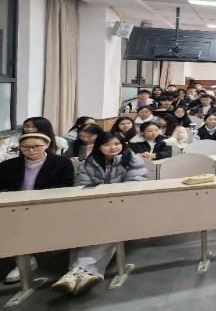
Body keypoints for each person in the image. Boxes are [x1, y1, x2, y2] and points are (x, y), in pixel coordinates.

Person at [51, 132, 147, 295]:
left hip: (124, 207)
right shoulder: (91, 161)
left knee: (104, 230)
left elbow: (134, 187)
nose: (112, 147)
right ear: (99, 147)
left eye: (116, 144)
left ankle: (80, 270)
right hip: (96, 206)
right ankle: (79, 273)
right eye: (106, 144)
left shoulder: (133, 160)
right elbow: (81, 185)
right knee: (82, 229)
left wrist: (107, 200)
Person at [0, 133, 74, 284]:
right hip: (14, 205)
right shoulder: (8, 165)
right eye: (26, 147)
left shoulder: (61, 163)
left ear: (46, 145)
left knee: (21, 224)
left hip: (46, 205)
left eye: (36, 146)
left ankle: (25, 259)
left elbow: (65, 186)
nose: (31, 150)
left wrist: (36, 198)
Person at [0, 117, 69, 161]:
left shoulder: (60, 141)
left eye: (34, 127)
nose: (29, 129)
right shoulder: (10, 140)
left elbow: (58, 159)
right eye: (27, 126)